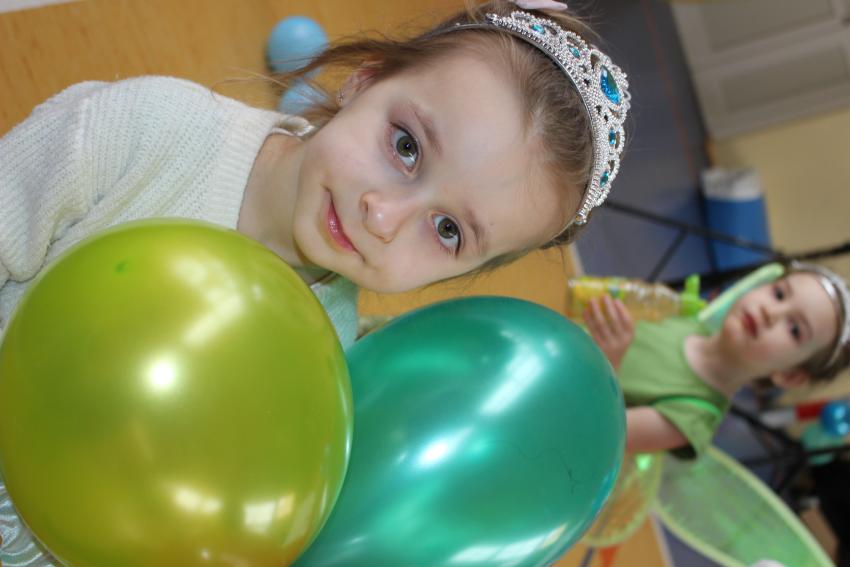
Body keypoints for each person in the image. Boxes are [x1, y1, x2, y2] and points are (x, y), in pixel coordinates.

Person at [0, 0, 630, 562]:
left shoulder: (325, 363)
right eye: (406, 147)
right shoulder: (146, 132)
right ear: (365, 79)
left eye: (447, 230)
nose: (382, 217)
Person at [582, 262, 850, 460]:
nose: (771, 312)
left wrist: (609, 362)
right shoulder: (687, 319)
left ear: (790, 375)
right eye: (779, 294)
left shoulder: (695, 415)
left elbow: (596, 436)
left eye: (795, 329)